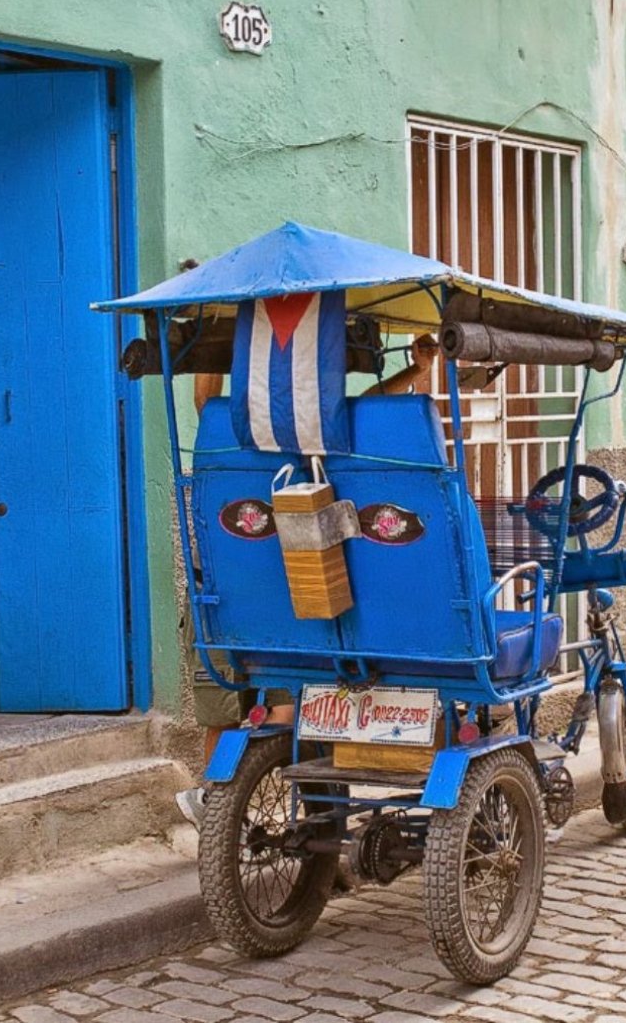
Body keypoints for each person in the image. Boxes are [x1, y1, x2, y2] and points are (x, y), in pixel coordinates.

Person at [175, 338, 439, 827]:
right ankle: (224, 807)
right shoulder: (235, 435)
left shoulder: (313, 437)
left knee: (278, 708)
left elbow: (368, 404)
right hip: (237, 589)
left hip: (287, 590)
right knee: (230, 711)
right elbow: (205, 402)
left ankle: (236, 804)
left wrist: (414, 371)